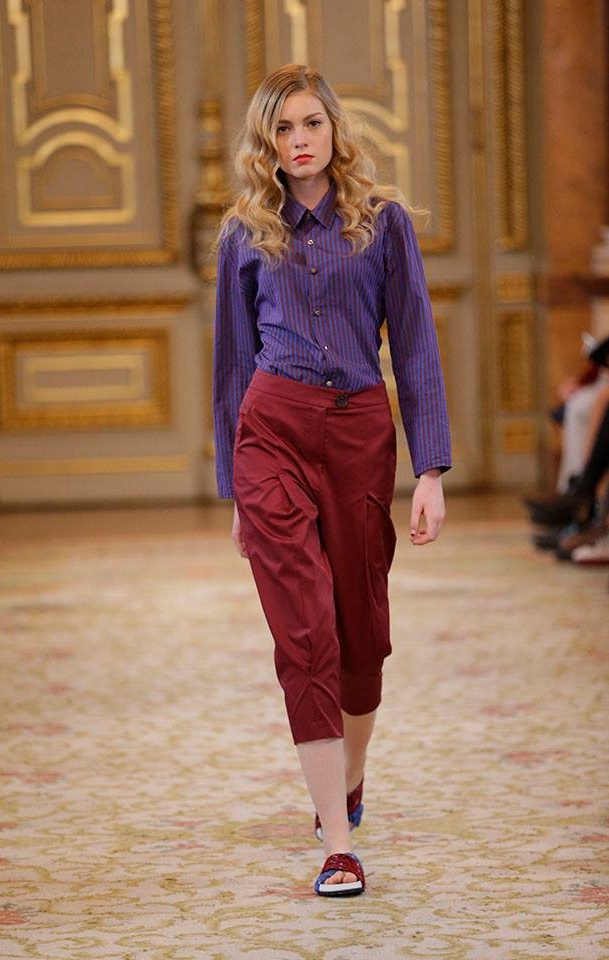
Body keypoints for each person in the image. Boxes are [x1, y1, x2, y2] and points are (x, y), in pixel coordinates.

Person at [212, 64, 452, 898]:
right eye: (282, 129)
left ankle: (347, 782)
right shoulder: (244, 233)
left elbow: (414, 345)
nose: (299, 140)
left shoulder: (381, 223)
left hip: (357, 434)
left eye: (311, 123)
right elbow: (232, 365)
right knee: (306, 633)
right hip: (272, 430)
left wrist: (430, 470)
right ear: (266, 144)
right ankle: (339, 845)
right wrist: (235, 492)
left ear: (333, 129)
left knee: (361, 633)